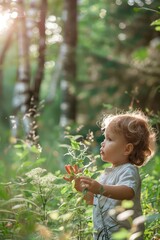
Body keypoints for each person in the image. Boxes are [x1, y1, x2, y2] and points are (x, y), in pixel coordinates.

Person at [64, 110, 156, 240]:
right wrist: (82, 188)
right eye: (104, 137)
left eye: (109, 139)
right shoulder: (107, 174)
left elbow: (128, 192)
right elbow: (94, 201)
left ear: (127, 149)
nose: (103, 142)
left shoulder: (128, 170)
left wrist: (100, 188)